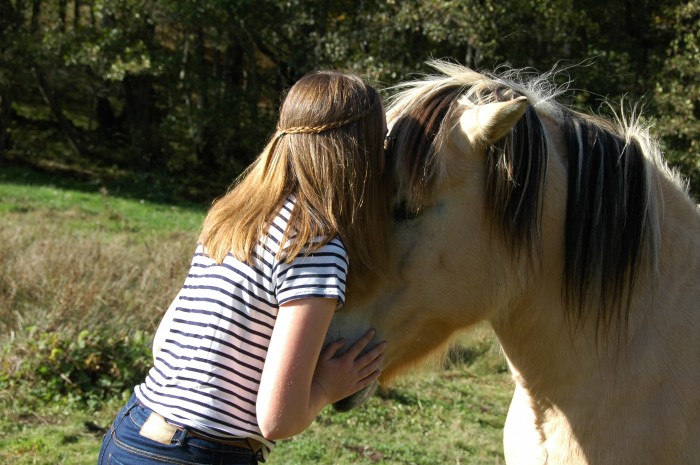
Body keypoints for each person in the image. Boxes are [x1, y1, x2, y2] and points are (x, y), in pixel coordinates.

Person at [97, 70, 390, 465]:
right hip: (202, 455)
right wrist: (326, 386)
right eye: (381, 144)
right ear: (362, 152)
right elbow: (277, 420)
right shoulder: (314, 245)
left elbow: (163, 341)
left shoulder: (233, 216)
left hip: (130, 432)